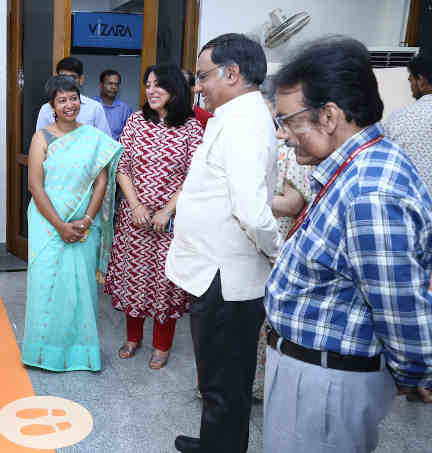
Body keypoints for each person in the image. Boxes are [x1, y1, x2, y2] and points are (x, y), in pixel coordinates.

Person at [265, 37, 432, 453]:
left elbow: (400, 308)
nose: (284, 135)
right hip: (317, 374)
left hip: (327, 385)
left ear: (329, 116)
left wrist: (412, 374)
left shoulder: (371, 192)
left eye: (289, 121)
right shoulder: (354, 168)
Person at [165, 33, 281, 453]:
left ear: (232, 74)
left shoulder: (247, 124)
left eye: (203, 76)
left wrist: (277, 252)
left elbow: (252, 211)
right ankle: (216, 441)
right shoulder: (233, 116)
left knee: (225, 380)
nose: (197, 86)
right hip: (214, 271)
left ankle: (223, 447)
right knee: (216, 376)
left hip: (228, 279)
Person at [21, 75, 123, 372]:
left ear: (81, 100)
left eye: (74, 98)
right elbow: (35, 187)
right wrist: (60, 225)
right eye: (62, 100)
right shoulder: (42, 138)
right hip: (46, 222)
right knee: (45, 285)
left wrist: (87, 220)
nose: (69, 105)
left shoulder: (92, 137)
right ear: (52, 105)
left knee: (81, 289)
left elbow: (101, 182)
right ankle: (42, 353)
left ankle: (82, 354)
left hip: (83, 225)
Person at [104, 63, 202, 370]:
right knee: (133, 278)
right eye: (148, 84)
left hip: (170, 222)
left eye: (159, 85)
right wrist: (135, 206)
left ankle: (162, 345)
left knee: (165, 282)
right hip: (134, 218)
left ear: (175, 89)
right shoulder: (136, 121)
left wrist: (167, 210)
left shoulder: (191, 128)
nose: (151, 90)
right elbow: (121, 167)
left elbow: (195, 176)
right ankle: (133, 338)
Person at [252, 77, 315, 400]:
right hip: (257, 241)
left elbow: (291, 203)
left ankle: (260, 386)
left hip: (278, 244)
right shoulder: (259, 146)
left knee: (266, 320)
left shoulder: (293, 152)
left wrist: (248, 198)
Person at [384, 52, 432, 189]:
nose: (411, 87)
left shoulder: (399, 118)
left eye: (411, 80)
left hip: (413, 203)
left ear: (421, 81)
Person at [35, 57, 112, 137]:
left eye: (72, 78)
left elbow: (106, 142)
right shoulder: (46, 108)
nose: (67, 82)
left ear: (81, 79)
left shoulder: (94, 108)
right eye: (63, 77)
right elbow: (40, 139)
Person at [94, 69, 132, 141]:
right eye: (110, 84)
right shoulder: (92, 105)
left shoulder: (125, 109)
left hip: (117, 150)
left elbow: (128, 136)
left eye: (116, 84)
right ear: (101, 85)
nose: (113, 87)